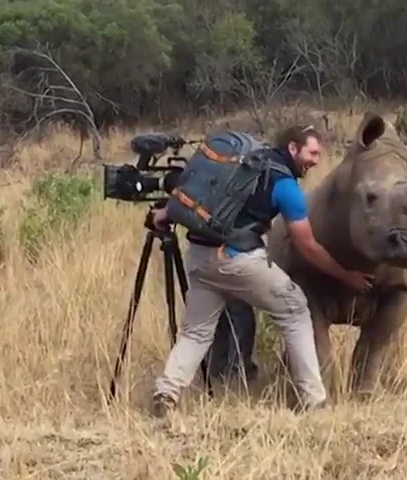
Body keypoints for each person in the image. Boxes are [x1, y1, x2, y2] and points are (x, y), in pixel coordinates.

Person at [148, 125, 374, 418]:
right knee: (294, 310)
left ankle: (166, 393)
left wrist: (163, 214)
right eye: (312, 152)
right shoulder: (285, 185)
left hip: (200, 257)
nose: (316, 160)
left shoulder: (242, 165)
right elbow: (307, 245)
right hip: (238, 259)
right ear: (293, 148)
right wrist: (347, 276)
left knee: (196, 332)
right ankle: (314, 400)